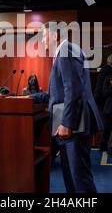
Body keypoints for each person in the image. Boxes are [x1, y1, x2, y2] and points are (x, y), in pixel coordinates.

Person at [30, 22, 103, 193]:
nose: (42, 41)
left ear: (55, 36)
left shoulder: (66, 51)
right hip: (66, 121)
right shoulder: (63, 52)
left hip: (73, 123)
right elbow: (58, 93)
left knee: (79, 179)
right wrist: (31, 96)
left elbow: (74, 90)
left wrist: (67, 123)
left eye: (44, 36)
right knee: (70, 177)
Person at [94, 54, 112, 151]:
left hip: (98, 98)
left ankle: (102, 145)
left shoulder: (104, 69)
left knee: (105, 123)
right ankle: (102, 145)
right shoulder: (109, 72)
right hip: (102, 100)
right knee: (106, 124)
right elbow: (105, 90)